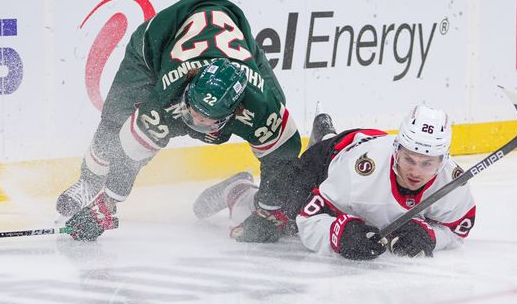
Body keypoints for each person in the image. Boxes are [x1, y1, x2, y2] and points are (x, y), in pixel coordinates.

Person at [57, 0, 302, 244]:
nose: (192, 120)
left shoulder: (261, 106)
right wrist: (107, 203)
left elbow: (282, 156)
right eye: (191, 108)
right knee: (115, 120)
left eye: (204, 120)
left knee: (277, 131)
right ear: (189, 87)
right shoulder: (167, 97)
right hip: (155, 46)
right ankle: (89, 180)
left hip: (236, 45)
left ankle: (242, 192)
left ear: (235, 111)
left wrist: (268, 212)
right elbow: (131, 153)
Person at [196, 105, 476, 258]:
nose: (416, 171)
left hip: (362, 149)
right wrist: (338, 235)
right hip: (332, 160)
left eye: (427, 164)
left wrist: (431, 236)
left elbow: (456, 231)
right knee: (276, 222)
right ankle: (238, 190)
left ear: (443, 161)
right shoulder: (360, 173)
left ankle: (325, 132)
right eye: (409, 160)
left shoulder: (453, 184)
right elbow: (309, 219)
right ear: (396, 150)